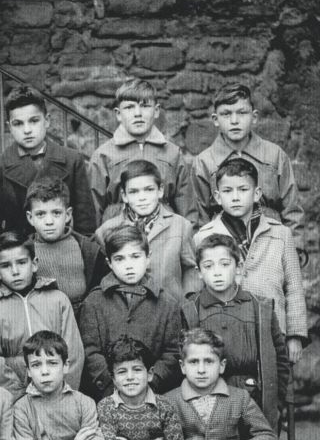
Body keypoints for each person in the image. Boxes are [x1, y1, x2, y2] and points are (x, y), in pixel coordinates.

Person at [193, 157, 308, 360]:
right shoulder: (204, 236)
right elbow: (199, 290)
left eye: (243, 189)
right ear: (217, 197)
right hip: (224, 331)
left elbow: (294, 287)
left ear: (257, 193)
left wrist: (295, 335)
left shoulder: (281, 234)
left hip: (274, 330)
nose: (235, 197)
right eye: (228, 191)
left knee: (274, 376)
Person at [184, 232, 292, 430]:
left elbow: (280, 360)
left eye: (225, 264)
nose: (217, 272)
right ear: (199, 271)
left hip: (254, 401)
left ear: (239, 267)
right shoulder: (191, 310)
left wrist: (275, 404)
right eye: (208, 266)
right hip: (206, 406)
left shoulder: (260, 307)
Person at [186, 83, 303, 254]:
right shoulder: (204, 162)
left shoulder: (274, 155)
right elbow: (199, 218)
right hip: (224, 249)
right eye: (226, 114)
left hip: (271, 245)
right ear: (215, 120)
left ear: (254, 117)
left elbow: (292, 209)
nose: (234, 120)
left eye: (242, 113)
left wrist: (295, 251)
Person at [78, 225, 189, 400]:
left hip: (153, 394)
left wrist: (152, 382)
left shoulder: (167, 303)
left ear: (148, 258)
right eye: (119, 259)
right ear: (109, 263)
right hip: (108, 395)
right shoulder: (94, 301)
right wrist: (111, 383)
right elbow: (89, 350)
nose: (129, 265)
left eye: (135, 257)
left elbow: (172, 351)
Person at [0, 84, 96, 238]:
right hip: (19, 250)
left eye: (34, 121)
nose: (27, 130)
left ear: (46, 121)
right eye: (18, 123)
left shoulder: (72, 160)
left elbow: (85, 223)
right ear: (9, 127)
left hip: (64, 247)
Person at [0, 230, 83, 397]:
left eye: (21, 262)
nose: (15, 271)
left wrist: (61, 393)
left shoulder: (58, 299)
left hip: (58, 393)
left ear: (34, 264)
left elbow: (73, 353)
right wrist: (17, 398)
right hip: (14, 397)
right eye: (6, 265)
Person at [87, 78, 191, 223]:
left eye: (145, 106)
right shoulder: (103, 155)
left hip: (164, 227)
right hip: (118, 228)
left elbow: (187, 207)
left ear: (156, 111)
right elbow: (93, 207)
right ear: (118, 114)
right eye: (129, 107)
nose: (138, 113)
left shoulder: (172, 153)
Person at [94, 159, 199, 297]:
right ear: (124, 195)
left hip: (171, 306)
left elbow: (191, 271)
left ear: (160, 191)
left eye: (149, 190)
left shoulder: (181, 226)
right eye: (134, 192)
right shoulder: (106, 230)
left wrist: (188, 301)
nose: (142, 197)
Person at [23, 175, 107, 307]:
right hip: (43, 314)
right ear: (30, 218)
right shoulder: (25, 252)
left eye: (56, 213)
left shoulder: (88, 248)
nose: (49, 221)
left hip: (83, 313)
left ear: (67, 215)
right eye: (40, 214)